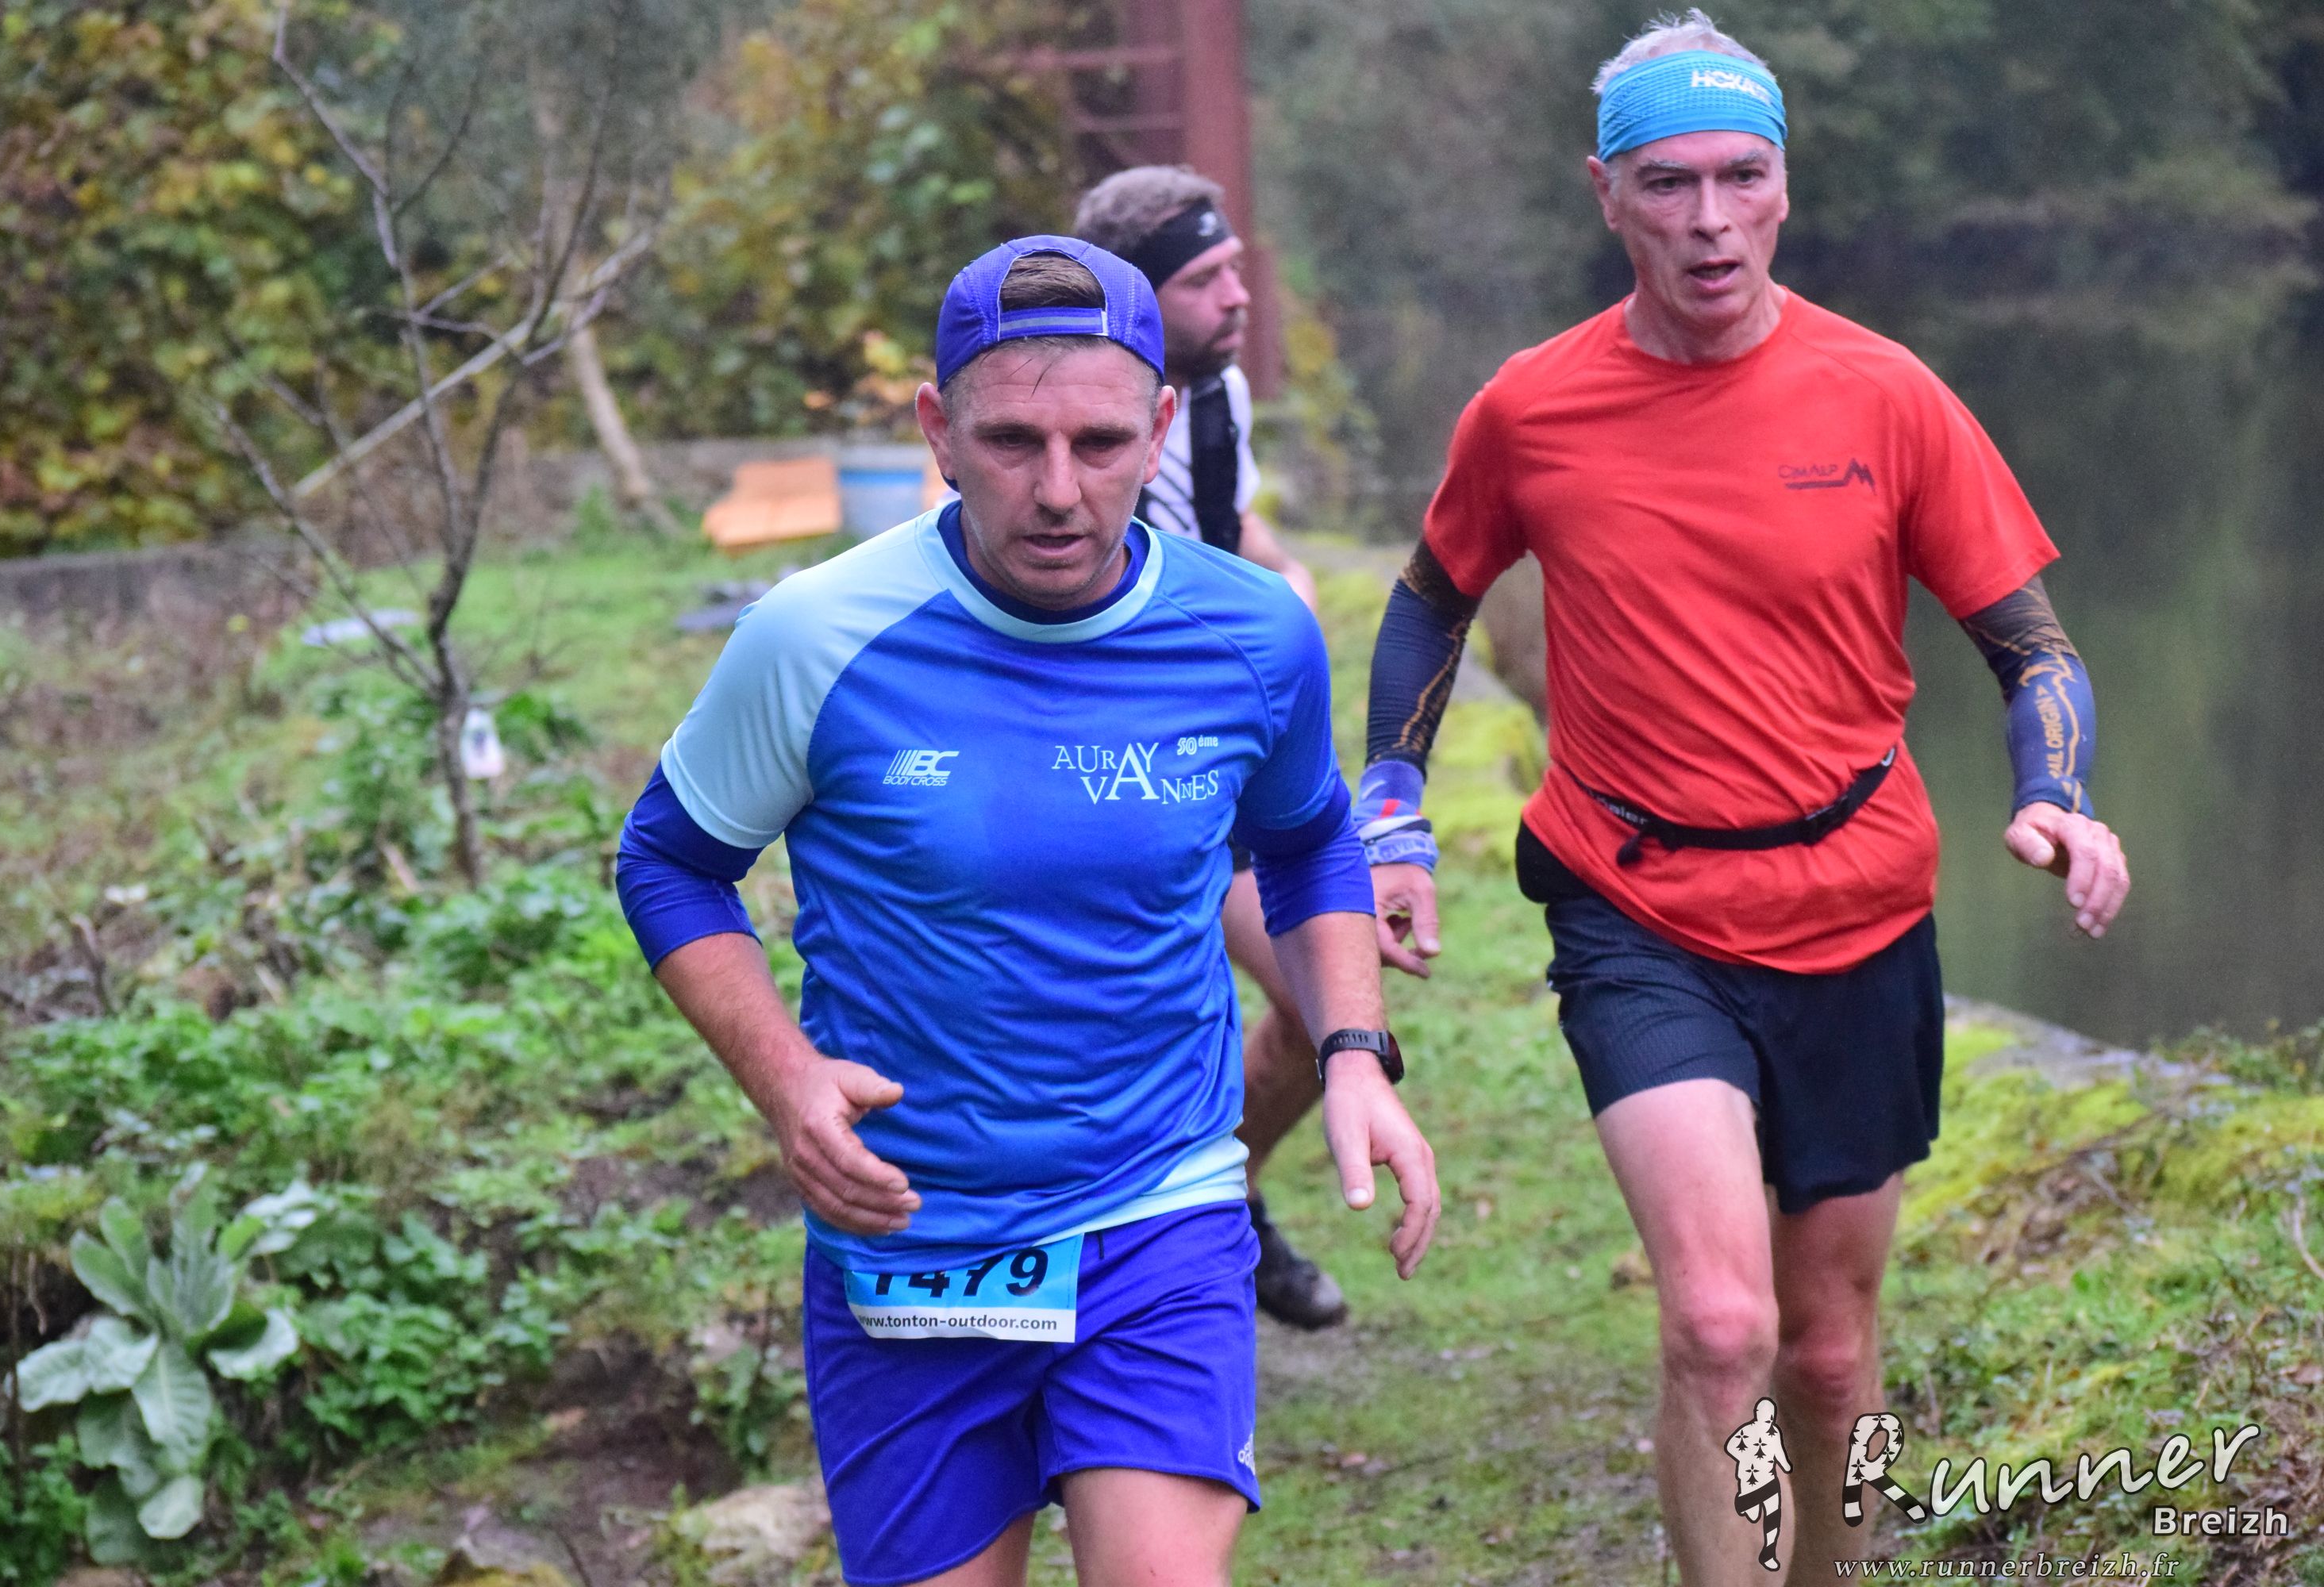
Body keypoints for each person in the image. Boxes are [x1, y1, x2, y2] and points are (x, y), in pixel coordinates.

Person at [1354, 12, 2130, 1583]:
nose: (1708, 221)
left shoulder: (1885, 394)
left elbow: (2031, 648)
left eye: (1739, 177)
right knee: (1721, 1325)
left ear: (1783, 185)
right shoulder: (1530, 409)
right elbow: (1432, 601)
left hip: (1858, 903)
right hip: (1635, 904)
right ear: (1606, 196)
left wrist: (2057, 792)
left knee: (1828, 1351)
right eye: (1667, 183)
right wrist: (1391, 811)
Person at [617, 235, 1439, 1587]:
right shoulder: (816, 636)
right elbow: (667, 863)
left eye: (1102, 444)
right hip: (911, 1233)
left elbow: (1305, 845)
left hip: (1157, 1206)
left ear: (1160, 428)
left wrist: (1352, 1053)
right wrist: (786, 1079)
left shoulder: (1250, 633)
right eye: (1011, 442)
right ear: (937, 430)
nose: (1059, 491)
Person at [1075, 166, 1345, 1331]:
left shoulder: (1217, 393)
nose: (1240, 294)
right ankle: (1136, 1255)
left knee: (1330, 1014)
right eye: (1205, 279)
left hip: (1220, 765)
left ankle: (1221, 1202)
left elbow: (1220, 518)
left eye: (1236, 266)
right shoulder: (1078, 418)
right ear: (1137, 301)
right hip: (1099, 778)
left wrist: (1281, 573)